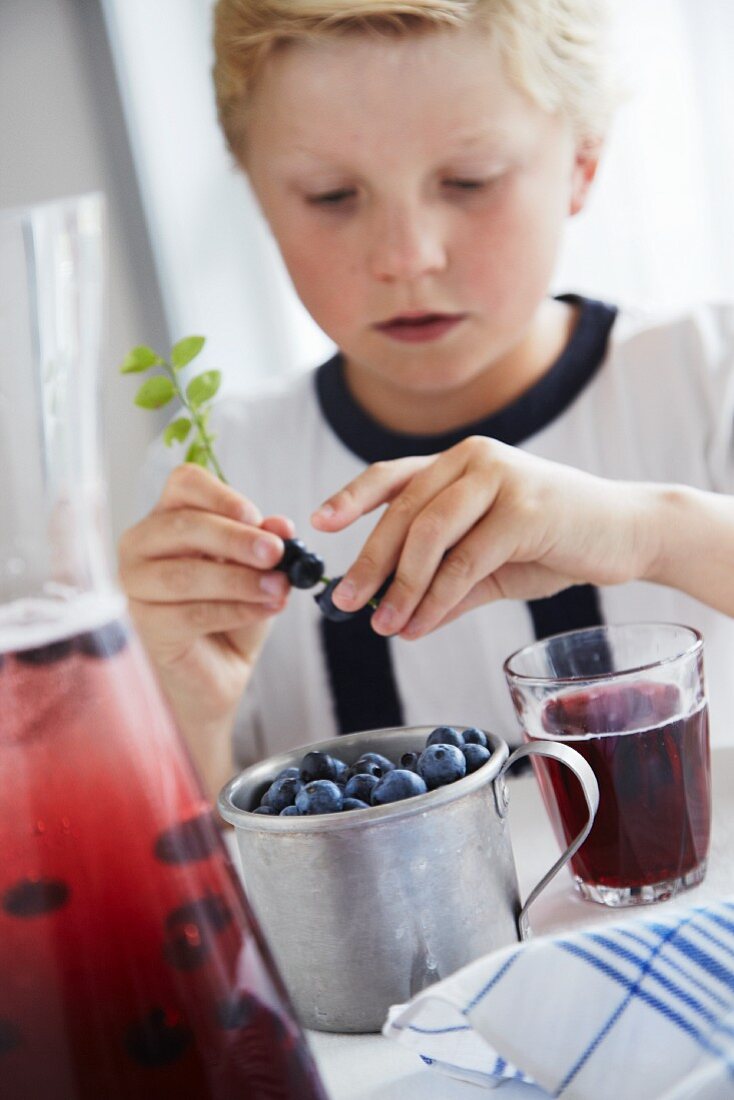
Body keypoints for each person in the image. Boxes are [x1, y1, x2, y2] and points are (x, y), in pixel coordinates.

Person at [119, 0, 734, 802]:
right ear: (256, 192)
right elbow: (164, 891)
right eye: (332, 195)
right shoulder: (216, 479)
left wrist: (655, 536)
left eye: (468, 182)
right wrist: (182, 715)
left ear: (583, 163)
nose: (407, 256)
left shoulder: (707, 375)